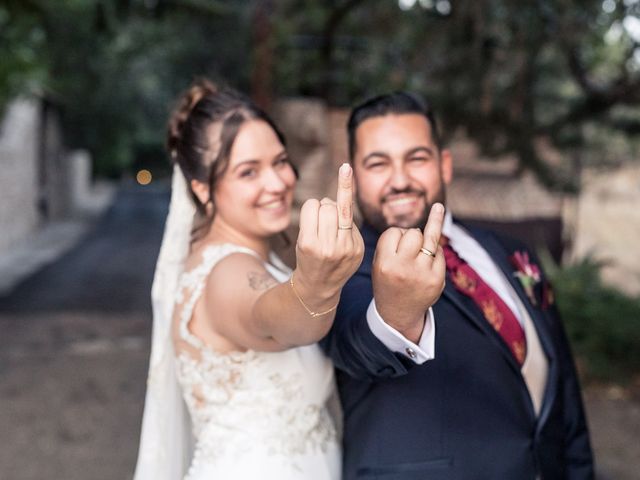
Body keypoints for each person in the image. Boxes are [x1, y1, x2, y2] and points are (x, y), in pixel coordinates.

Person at [321, 92, 594, 479]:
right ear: (353, 175)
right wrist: (397, 312)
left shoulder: (511, 252)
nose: (400, 180)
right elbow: (354, 345)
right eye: (377, 163)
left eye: (416, 158)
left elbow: (565, 396)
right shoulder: (341, 266)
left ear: (444, 165)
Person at [133, 79, 363, 480]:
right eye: (248, 172)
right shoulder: (224, 274)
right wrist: (316, 283)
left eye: (279, 161)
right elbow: (281, 318)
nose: (277, 183)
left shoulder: (262, 260)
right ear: (203, 190)